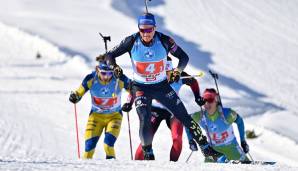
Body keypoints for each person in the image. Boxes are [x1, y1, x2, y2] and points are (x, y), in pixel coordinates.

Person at [101, 12, 223, 160]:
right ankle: (148, 152)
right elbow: (109, 55)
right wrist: (114, 67)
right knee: (144, 117)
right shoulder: (131, 41)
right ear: (139, 29)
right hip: (140, 88)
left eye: (149, 29)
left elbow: (184, 57)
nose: (146, 34)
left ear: (155, 28)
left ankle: (206, 148)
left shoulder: (164, 40)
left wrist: (177, 71)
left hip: (161, 86)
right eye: (142, 30)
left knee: (184, 116)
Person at [125, 57, 205, 161]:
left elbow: (193, 81)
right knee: (147, 138)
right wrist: (128, 102)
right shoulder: (150, 76)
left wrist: (197, 96)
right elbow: (136, 88)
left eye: (169, 72)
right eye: (163, 73)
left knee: (177, 139)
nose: (167, 76)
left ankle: (172, 165)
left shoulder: (178, 75)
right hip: (155, 110)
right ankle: (137, 164)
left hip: (173, 111)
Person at [69, 61, 131, 159]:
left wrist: (129, 103)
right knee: (89, 149)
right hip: (96, 117)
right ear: (98, 70)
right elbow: (78, 93)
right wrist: (75, 97)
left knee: (108, 146)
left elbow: (134, 90)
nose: (106, 76)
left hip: (114, 117)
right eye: (103, 73)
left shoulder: (119, 78)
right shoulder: (91, 79)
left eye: (110, 73)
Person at [186, 88, 250, 162]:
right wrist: (190, 140)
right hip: (213, 152)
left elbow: (240, 121)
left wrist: (243, 141)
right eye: (204, 100)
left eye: (210, 100)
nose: (207, 103)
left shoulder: (227, 114)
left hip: (232, 149)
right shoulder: (200, 116)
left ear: (216, 100)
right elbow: (186, 122)